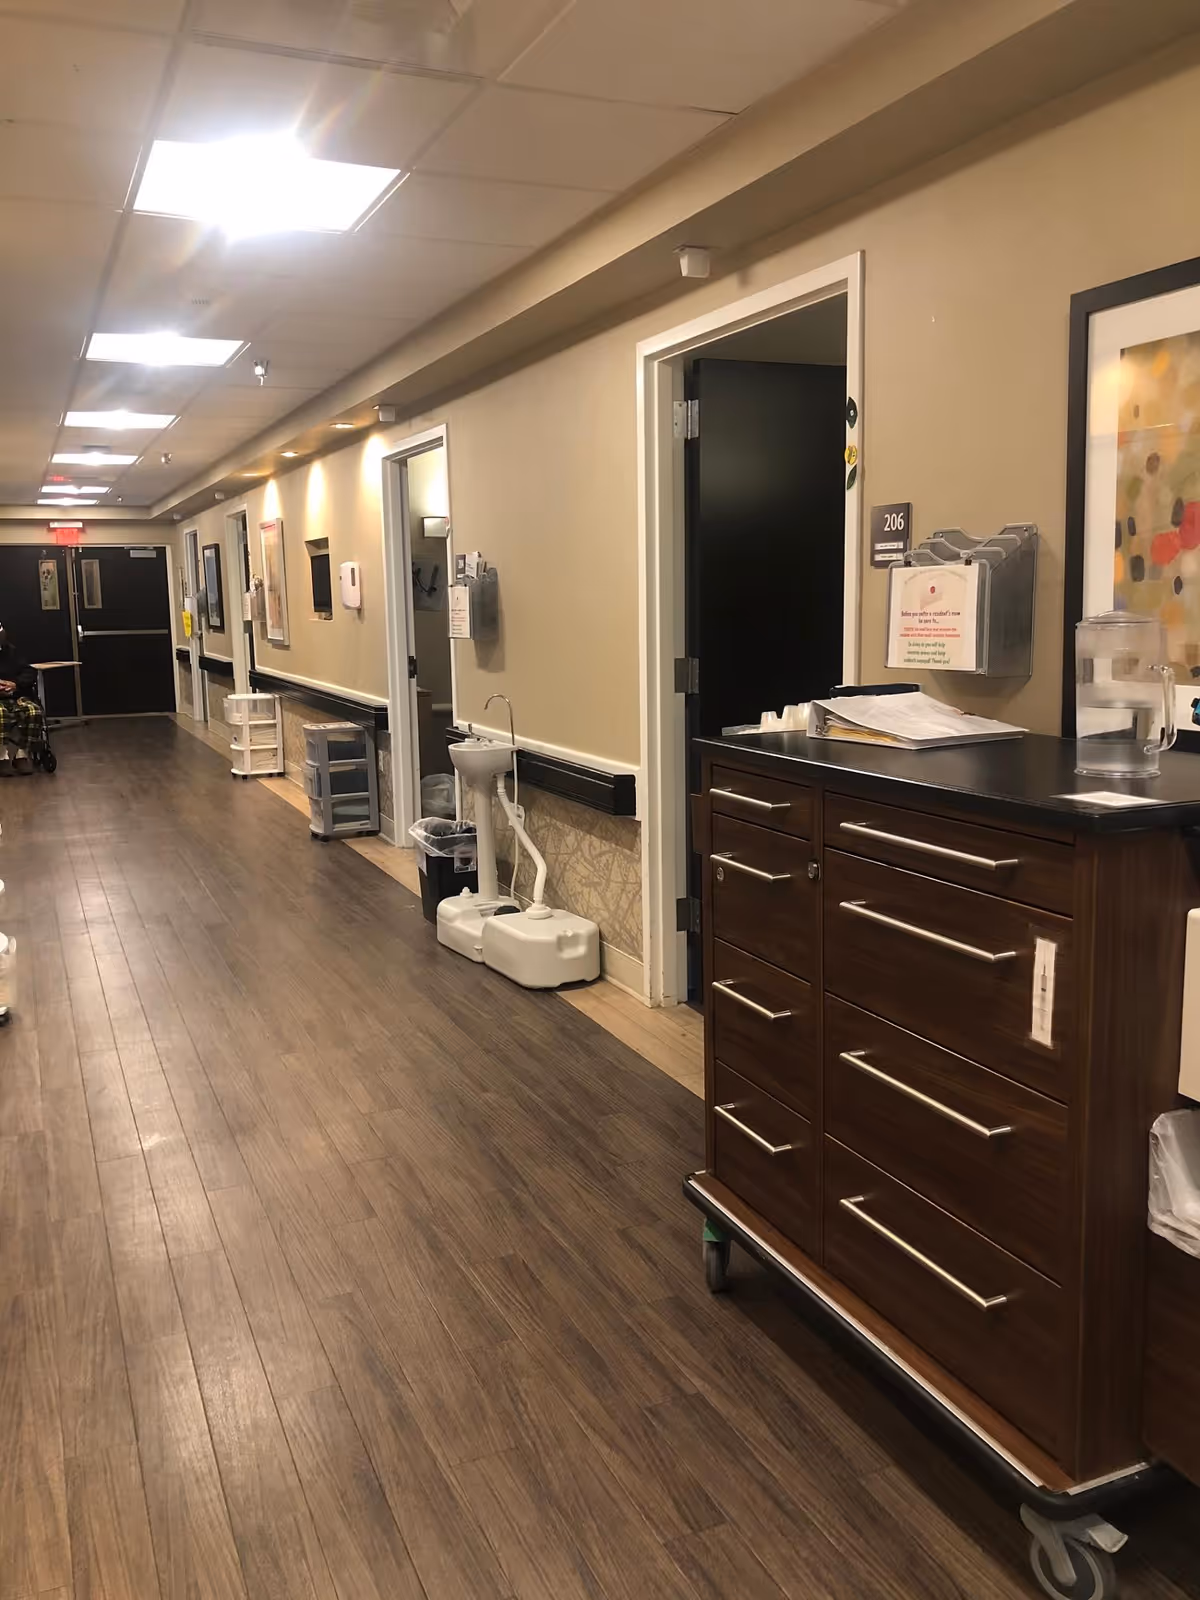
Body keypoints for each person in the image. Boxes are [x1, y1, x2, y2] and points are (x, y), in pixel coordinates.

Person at [0, 622, 44, 775]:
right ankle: (1, 757)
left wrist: (15, 684)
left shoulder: (13, 652)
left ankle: (21, 754)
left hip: (17, 695)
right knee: (1, 715)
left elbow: (29, 672)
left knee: (34, 712)